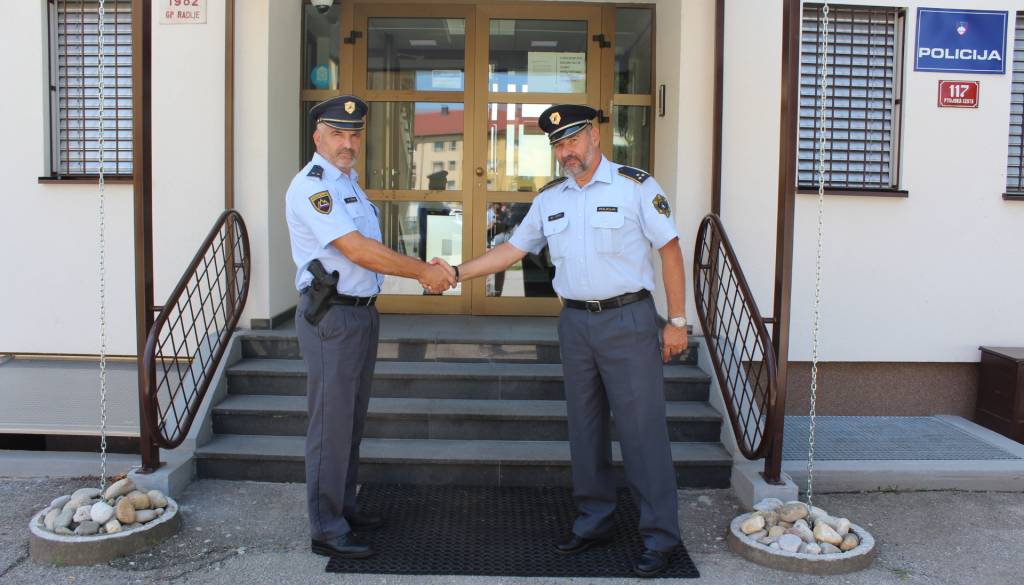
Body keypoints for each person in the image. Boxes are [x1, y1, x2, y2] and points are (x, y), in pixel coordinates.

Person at [437, 104, 688, 578]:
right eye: (558, 145)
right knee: (585, 428)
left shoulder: (636, 186)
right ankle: (595, 521)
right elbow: (513, 250)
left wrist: (677, 321)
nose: (566, 152)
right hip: (575, 324)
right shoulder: (551, 198)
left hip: (628, 319)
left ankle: (660, 537)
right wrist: (455, 272)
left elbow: (670, 250)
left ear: (594, 136)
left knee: (642, 432)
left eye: (572, 140)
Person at [285, 94, 454, 560]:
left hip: (359, 312)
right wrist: (423, 271)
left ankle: (344, 506)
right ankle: (326, 528)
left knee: (350, 421)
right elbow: (356, 250)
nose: (348, 143)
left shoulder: (350, 185)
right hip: (333, 316)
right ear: (317, 136)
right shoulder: (313, 187)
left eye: (354, 134)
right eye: (337, 134)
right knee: (331, 425)